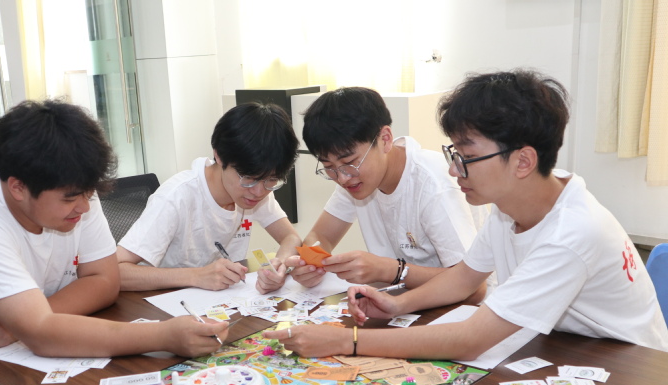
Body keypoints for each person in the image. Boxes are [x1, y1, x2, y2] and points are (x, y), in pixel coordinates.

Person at [265, 69, 668, 358]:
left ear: (523, 161)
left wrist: (346, 342)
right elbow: (463, 277)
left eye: (467, 157)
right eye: (453, 154)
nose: (454, 170)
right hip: (565, 347)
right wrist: (397, 305)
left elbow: (471, 339)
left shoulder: (572, 233)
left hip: (631, 370)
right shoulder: (516, 205)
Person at [0, 99, 226, 358]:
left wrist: (20, 322)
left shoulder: (73, 185)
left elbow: (105, 281)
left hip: (23, 346)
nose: (85, 207)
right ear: (18, 187)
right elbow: (42, 335)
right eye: (71, 198)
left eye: (89, 193)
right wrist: (164, 335)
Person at [285, 87, 485, 297]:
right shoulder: (353, 178)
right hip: (399, 302)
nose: (342, 178)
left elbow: (474, 287)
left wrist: (388, 270)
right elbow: (320, 236)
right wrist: (310, 264)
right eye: (329, 167)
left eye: (350, 162)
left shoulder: (434, 186)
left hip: (460, 308)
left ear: (385, 139)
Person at [116, 102, 302, 294]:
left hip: (219, 302)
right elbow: (116, 272)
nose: (259, 191)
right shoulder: (176, 196)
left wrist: (279, 267)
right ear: (219, 156)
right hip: (160, 301)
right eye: (249, 178)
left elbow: (291, 237)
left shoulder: (255, 190)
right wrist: (196, 276)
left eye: (272, 180)